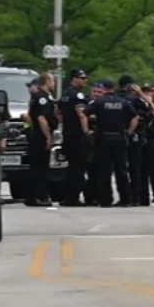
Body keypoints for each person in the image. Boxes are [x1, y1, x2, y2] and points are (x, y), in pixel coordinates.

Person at [85, 78, 138, 207]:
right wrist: (129, 132)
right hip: (119, 138)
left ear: (104, 88)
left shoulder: (99, 102)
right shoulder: (123, 102)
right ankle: (125, 199)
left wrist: (88, 130)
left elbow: (84, 113)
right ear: (114, 88)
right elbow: (135, 116)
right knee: (121, 170)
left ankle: (105, 199)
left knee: (104, 170)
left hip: (103, 138)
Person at [57, 69, 90, 206]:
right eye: (82, 78)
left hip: (67, 134)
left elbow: (57, 112)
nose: (85, 80)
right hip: (77, 136)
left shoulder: (65, 94)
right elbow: (81, 114)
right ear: (74, 79)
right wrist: (86, 131)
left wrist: (64, 123)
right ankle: (73, 197)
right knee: (78, 167)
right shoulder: (78, 95)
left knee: (71, 167)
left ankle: (68, 196)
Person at [25, 73, 57, 207]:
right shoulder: (42, 98)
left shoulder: (36, 97)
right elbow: (41, 118)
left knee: (36, 167)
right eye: (53, 80)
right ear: (48, 81)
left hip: (35, 134)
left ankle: (33, 197)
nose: (54, 83)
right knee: (41, 168)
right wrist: (48, 136)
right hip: (40, 136)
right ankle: (39, 196)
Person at [117, 76, 148, 205]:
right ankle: (135, 197)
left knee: (121, 168)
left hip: (118, 135)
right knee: (135, 168)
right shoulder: (136, 99)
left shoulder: (115, 98)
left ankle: (124, 197)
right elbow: (146, 109)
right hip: (134, 135)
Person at [84, 80, 110, 206]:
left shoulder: (105, 104)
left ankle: (99, 196)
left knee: (100, 171)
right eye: (95, 91)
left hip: (101, 140)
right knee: (89, 170)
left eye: (100, 92)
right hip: (88, 141)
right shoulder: (87, 103)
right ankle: (89, 197)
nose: (97, 94)